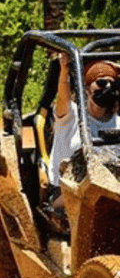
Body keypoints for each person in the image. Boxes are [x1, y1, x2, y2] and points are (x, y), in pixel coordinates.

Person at [50, 55, 120, 189]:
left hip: (110, 190)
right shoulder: (71, 115)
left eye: (113, 83)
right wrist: (64, 71)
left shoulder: (118, 121)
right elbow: (63, 97)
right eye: (101, 83)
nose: (108, 87)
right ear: (87, 88)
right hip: (68, 189)